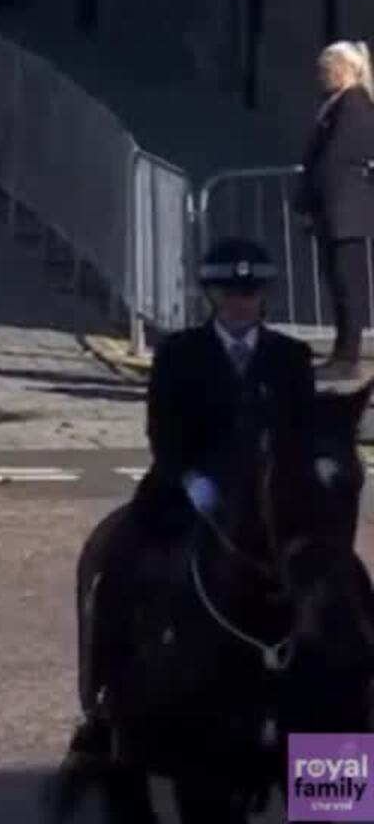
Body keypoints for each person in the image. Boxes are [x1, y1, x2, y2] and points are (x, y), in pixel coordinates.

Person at [68, 237, 316, 763]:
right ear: (212, 294)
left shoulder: (290, 358)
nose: (239, 301)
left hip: (272, 500)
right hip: (191, 489)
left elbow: (304, 433)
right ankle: (106, 704)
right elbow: (164, 430)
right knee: (122, 562)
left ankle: (341, 738)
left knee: (343, 586)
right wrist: (193, 481)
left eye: (249, 291)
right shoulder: (180, 354)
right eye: (229, 290)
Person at [296, 40, 374, 379]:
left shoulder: (353, 103)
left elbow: (336, 158)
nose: (322, 75)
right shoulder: (336, 104)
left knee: (348, 283)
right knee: (338, 280)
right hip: (334, 208)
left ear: (344, 70)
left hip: (345, 208)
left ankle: (349, 356)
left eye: (327, 68)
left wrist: (313, 195)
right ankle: (343, 351)